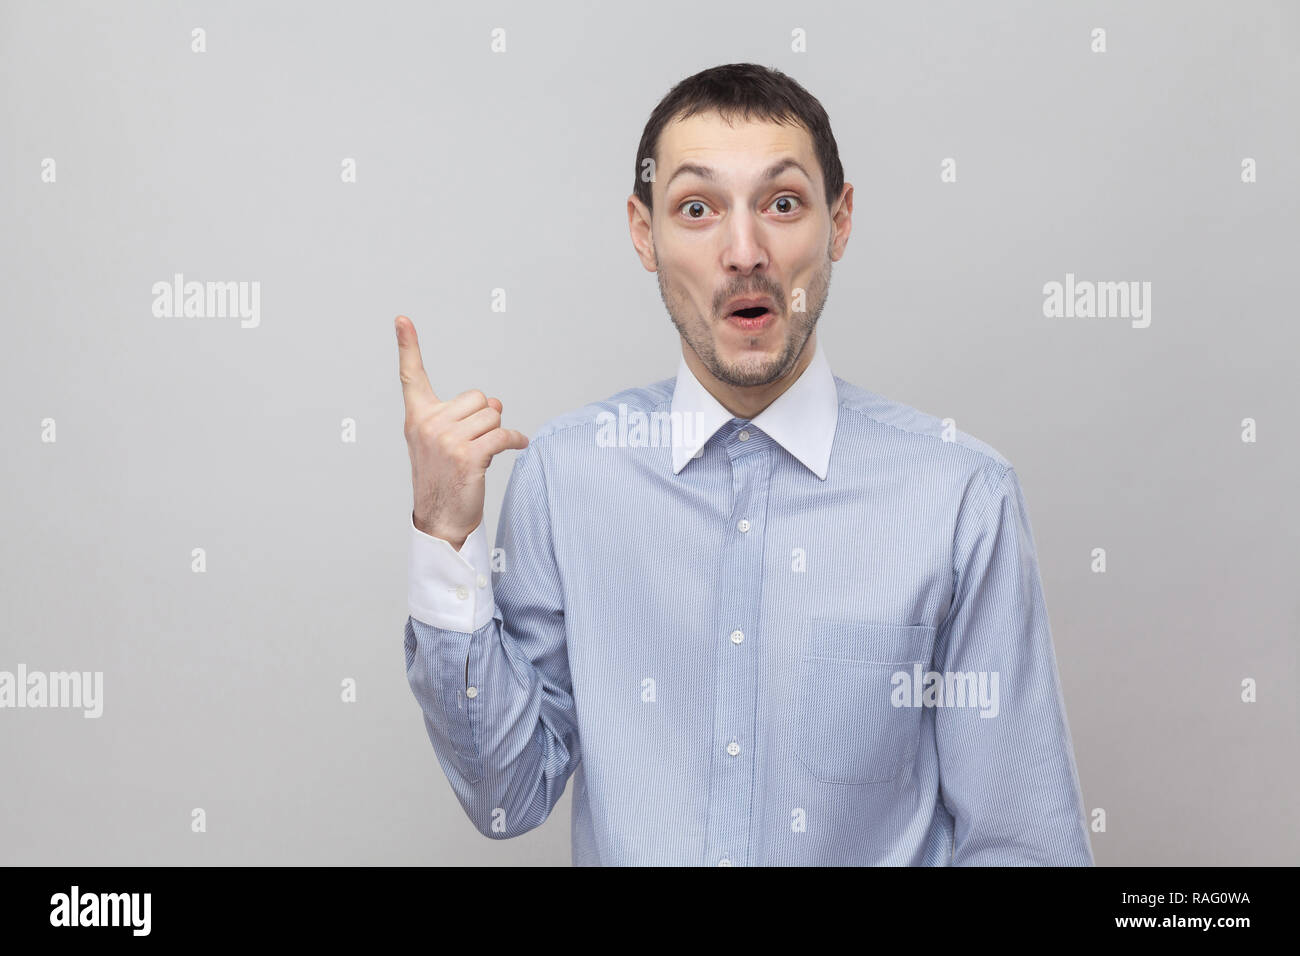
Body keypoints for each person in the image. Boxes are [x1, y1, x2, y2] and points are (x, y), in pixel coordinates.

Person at [395, 62, 1093, 866]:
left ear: (839, 221)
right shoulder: (566, 477)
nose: (744, 251)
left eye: (783, 204)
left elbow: (1023, 845)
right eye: (697, 208)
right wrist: (443, 537)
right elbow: (506, 796)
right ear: (643, 233)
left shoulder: (963, 496)